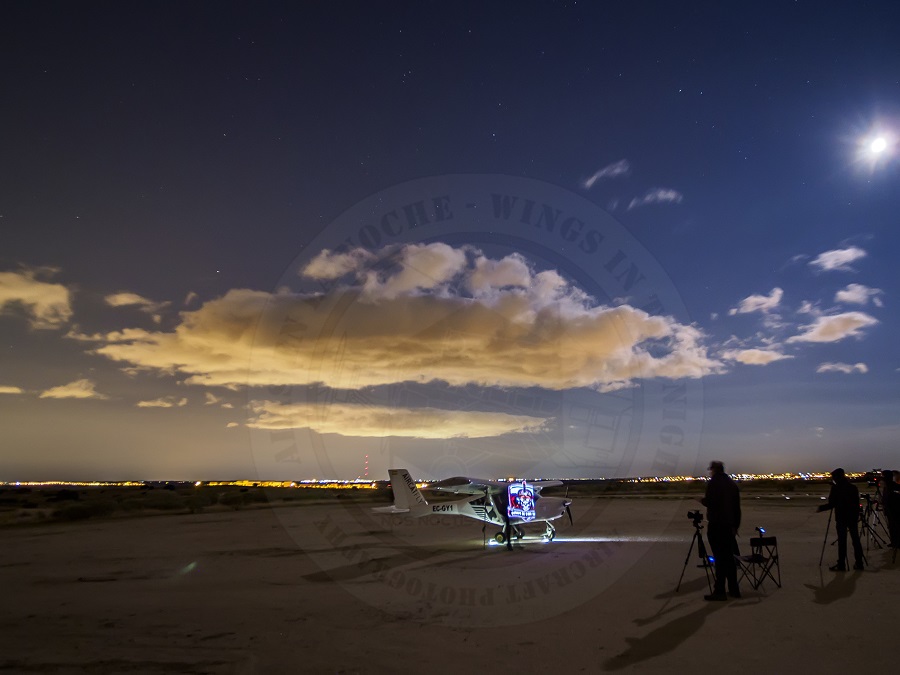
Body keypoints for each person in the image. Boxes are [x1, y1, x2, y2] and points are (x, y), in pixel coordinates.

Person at [701, 460, 741, 600]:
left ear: (713, 470)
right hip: (729, 526)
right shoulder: (731, 484)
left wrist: (702, 501)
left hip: (717, 525)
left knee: (720, 559)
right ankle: (734, 589)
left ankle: (720, 591)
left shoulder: (713, 483)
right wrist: (736, 526)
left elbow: (711, 502)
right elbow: (737, 508)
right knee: (729, 558)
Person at [817, 468, 863, 571]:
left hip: (842, 517)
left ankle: (841, 564)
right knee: (855, 540)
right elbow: (856, 503)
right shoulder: (853, 487)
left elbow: (832, 504)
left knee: (842, 542)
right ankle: (859, 563)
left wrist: (821, 508)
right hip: (852, 517)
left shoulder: (836, 488)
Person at [881, 469, 899, 549]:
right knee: (891, 527)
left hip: (895, 510)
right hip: (888, 510)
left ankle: (897, 542)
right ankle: (894, 542)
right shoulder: (886, 487)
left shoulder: (894, 486)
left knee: (896, 526)